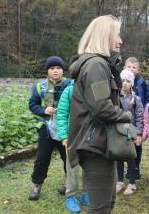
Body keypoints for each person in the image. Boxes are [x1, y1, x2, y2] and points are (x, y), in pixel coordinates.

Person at [67, 15, 132, 214]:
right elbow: (102, 107)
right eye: (117, 35)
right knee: (100, 209)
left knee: (107, 202)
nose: (120, 41)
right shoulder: (96, 66)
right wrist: (126, 116)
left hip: (99, 144)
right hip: (94, 146)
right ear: (105, 36)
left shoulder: (100, 64)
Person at [28, 56, 71, 201]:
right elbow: (32, 105)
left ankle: (69, 184)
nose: (55, 71)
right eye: (52, 68)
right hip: (46, 129)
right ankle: (37, 185)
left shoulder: (69, 84)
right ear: (47, 71)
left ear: (62, 70)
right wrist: (43, 110)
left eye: (58, 68)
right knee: (42, 158)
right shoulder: (40, 87)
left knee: (68, 157)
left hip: (65, 128)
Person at [57, 78, 89, 213]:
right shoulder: (69, 91)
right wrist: (64, 136)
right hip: (72, 136)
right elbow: (62, 114)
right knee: (72, 167)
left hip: (90, 136)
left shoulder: (92, 89)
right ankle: (71, 195)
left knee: (89, 165)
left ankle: (86, 193)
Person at [115, 69, 144, 196]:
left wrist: (137, 133)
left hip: (130, 132)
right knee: (118, 157)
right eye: (123, 81)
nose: (125, 83)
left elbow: (139, 116)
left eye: (128, 81)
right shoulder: (115, 97)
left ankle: (132, 183)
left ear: (132, 83)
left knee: (130, 158)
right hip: (117, 131)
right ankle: (120, 181)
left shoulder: (136, 99)